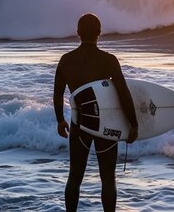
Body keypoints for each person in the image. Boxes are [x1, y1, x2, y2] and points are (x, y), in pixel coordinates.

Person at [53, 13, 138, 212]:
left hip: (79, 123)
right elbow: (123, 93)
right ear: (100, 33)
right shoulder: (108, 60)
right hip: (105, 124)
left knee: (74, 177)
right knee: (108, 178)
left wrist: (60, 120)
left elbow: (58, 93)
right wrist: (132, 123)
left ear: (78, 33)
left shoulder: (66, 60)